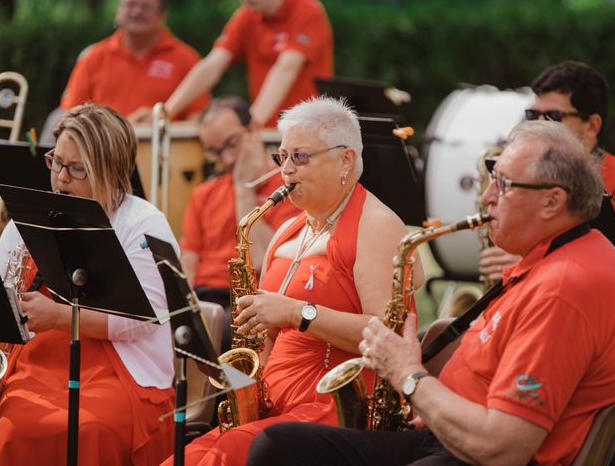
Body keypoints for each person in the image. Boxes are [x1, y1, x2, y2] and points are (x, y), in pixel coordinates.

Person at [247, 121, 615, 466]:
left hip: (471, 456)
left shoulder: (563, 288)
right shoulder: (554, 258)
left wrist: (409, 376)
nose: (487, 197)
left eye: (505, 185)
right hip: (445, 438)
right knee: (277, 445)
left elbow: (503, 448)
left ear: (553, 201)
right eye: (493, 178)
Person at [160, 97, 423, 466]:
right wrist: (237, 383)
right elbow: (264, 340)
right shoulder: (285, 230)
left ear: (345, 160)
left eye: (299, 157)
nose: (286, 170)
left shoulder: (376, 224)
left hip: (331, 409)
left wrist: (299, 313)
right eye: (280, 157)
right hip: (273, 406)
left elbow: (388, 336)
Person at [0, 104, 177, 465]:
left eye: (77, 169)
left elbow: (141, 320)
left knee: (91, 429)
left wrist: (61, 317)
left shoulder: (144, 224)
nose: (60, 179)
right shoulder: (24, 220)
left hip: (118, 367)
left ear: (112, 171)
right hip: (40, 358)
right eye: (56, 162)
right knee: (16, 424)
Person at [480, 60, 615, 281]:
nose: (538, 125)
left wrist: (528, 260)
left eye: (553, 117)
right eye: (532, 116)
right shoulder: (529, 174)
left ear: (592, 126)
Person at [181, 95, 299, 352]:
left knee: (221, 328)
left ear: (253, 130)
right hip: (203, 298)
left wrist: (243, 192)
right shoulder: (204, 194)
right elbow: (187, 268)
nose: (227, 159)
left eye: (231, 144)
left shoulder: (290, 190)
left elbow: (261, 259)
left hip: (250, 300)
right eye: (215, 151)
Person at [148, 0, 333, 128]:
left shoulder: (308, 11)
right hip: (266, 131)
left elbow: (285, 69)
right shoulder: (247, 16)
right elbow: (213, 64)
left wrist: (251, 123)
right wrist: (165, 112)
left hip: (308, 130)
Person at [60, 0, 209, 122]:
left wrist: (158, 124)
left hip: (162, 148)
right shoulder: (93, 57)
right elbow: (71, 115)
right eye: (130, 5)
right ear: (118, 11)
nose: (136, 12)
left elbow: (197, 119)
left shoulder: (186, 59)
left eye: (146, 7)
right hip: (104, 150)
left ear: (162, 15)